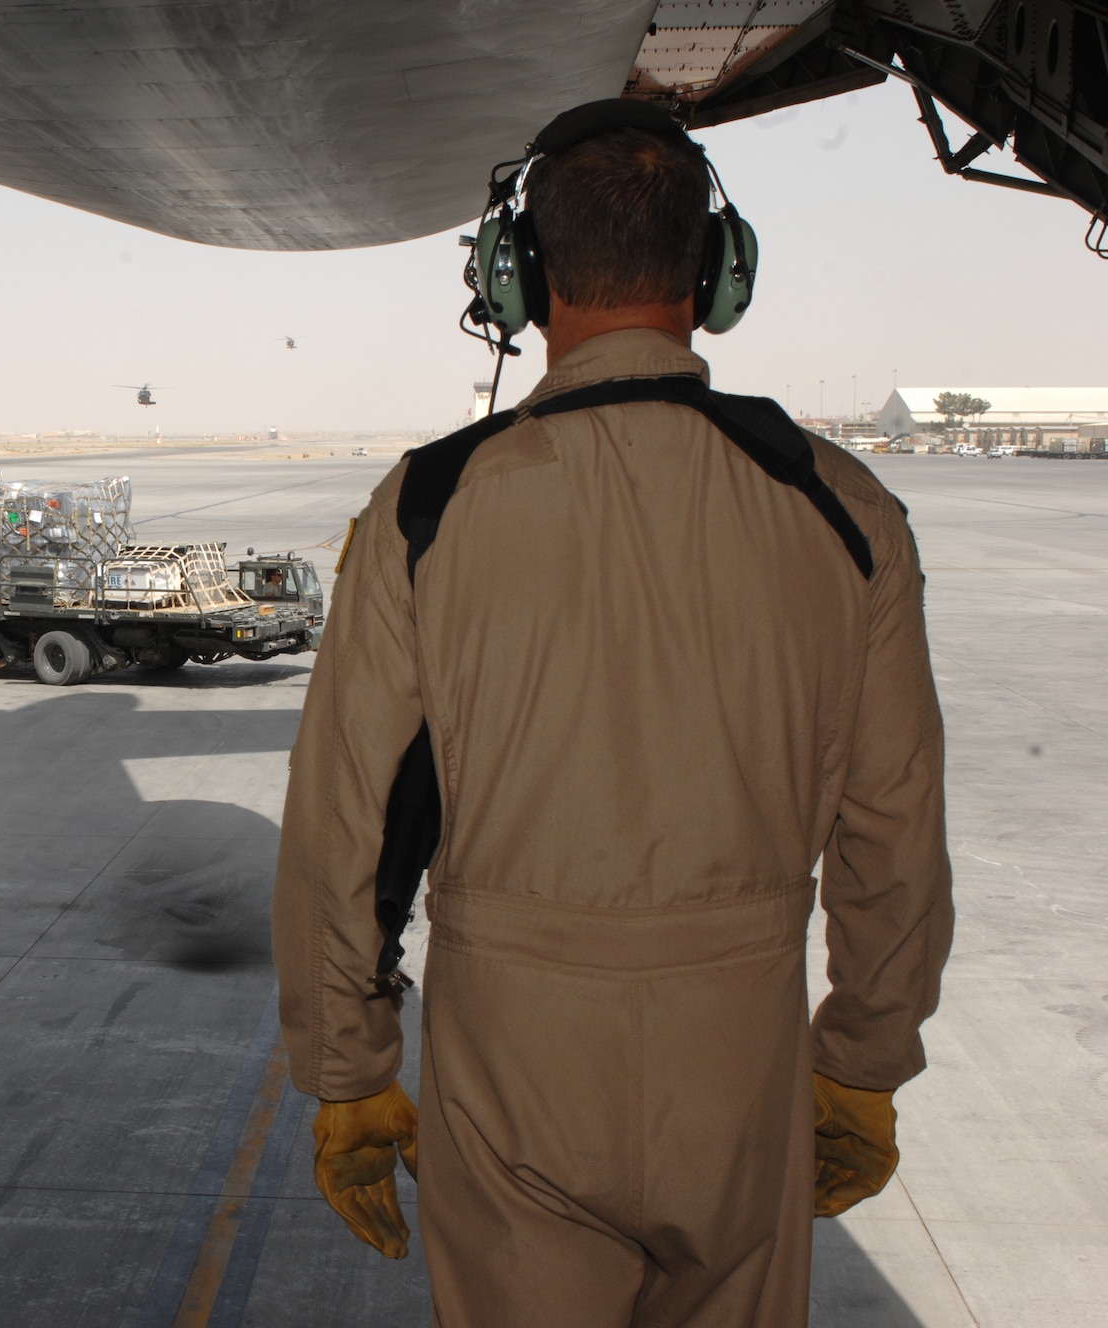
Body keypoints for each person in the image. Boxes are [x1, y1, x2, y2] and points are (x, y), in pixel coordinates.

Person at [272, 99, 952, 1326]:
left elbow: (343, 822)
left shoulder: (428, 506)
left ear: (517, 277)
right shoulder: (844, 509)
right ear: (714, 276)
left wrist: (347, 1067)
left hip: (512, 1059)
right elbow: (891, 822)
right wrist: (859, 1060)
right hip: (734, 1055)